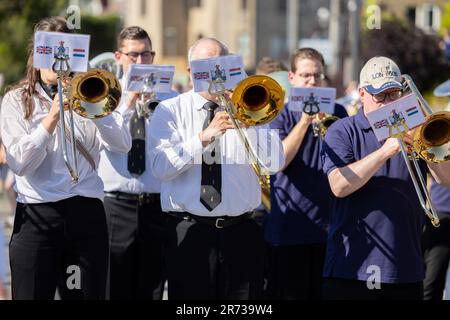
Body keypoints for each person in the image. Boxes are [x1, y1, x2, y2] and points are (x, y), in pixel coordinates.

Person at [0, 16, 131, 300]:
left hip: (85, 213)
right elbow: (19, 164)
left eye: (67, 50)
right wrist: (50, 120)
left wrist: (95, 109)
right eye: (49, 51)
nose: (59, 62)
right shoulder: (15, 100)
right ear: (36, 55)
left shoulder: (92, 91)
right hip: (38, 215)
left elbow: (122, 145)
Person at [148, 37, 285, 300]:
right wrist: (203, 137)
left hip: (241, 233)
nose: (215, 71)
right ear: (190, 72)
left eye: (220, 63)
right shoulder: (170, 110)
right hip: (190, 232)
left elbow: (274, 163)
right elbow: (159, 168)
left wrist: (249, 123)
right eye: (205, 64)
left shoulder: (249, 107)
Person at [321, 56, 450, 300]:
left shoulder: (414, 130)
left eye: (393, 94)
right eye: (379, 95)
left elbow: (447, 180)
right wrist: (386, 150)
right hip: (353, 269)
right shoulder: (343, 130)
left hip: (407, 268)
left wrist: (426, 144)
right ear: (362, 93)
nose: (387, 103)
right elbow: (338, 186)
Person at [97, 26, 176, 300]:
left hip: (156, 204)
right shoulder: (103, 91)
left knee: (152, 287)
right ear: (119, 56)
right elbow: (106, 139)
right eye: (134, 56)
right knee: (114, 286)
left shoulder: (169, 96)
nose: (141, 62)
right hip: (115, 204)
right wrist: (129, 103)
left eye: (147, 55)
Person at [263, 48, 348, 300]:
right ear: (292, 78)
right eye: (306, 75)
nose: (312, 81)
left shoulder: (339, 112)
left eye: (318, 75)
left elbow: (347, 162)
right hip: (290, 230)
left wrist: (327, 126)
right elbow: (278, 162)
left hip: (330, 229)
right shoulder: (277, 113)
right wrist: (304, 122)